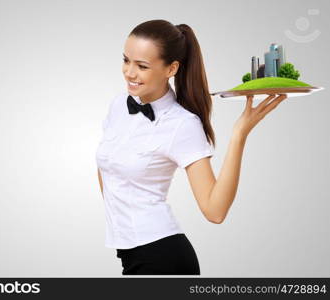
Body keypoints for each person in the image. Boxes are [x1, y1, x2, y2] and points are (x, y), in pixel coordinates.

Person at [95, 19, 287, 275]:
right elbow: (107, 171)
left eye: (142, 66)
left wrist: (239, 134)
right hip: (130, 254)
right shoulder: (119, 105)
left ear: (171, 68)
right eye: (126, 60)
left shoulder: (182, 124)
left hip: (161, 258)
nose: (129, 72)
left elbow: (215, 211)